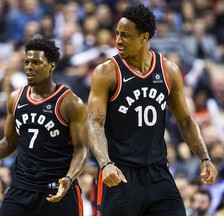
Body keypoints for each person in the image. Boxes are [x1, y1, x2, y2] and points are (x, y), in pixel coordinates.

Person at [87, 3, 218, 216]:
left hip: (158, 172)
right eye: (117, 34)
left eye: (126, 35)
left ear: (144, 38)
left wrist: (204, 158)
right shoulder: (106, 72)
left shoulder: (168, 71)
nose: (118, 40)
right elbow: (94, 123)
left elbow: (185, 120)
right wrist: (105, 163)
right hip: (120, 172)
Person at [0, 38, 88, 216]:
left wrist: (69, 178)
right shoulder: (16, 98)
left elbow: (82, 148)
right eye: (27, 62)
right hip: (22, 188)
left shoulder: (70, 102)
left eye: (37, 62)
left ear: (52, 66)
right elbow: (9, 143)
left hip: (57, 188)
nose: (29, 67)